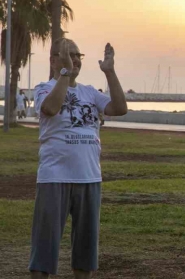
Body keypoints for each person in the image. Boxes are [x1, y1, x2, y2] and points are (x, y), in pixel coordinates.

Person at [30, 39, 128, 278]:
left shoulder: (90, 92)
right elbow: (51, 108)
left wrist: (110, 72)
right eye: (67, 54)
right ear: (54, 60)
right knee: (44, 252)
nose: (74, 59)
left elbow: (119, 108)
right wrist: (65, 73)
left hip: (89, 177)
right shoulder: (44, 88)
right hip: (55, 177)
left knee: (85, 254)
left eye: (77, 55)